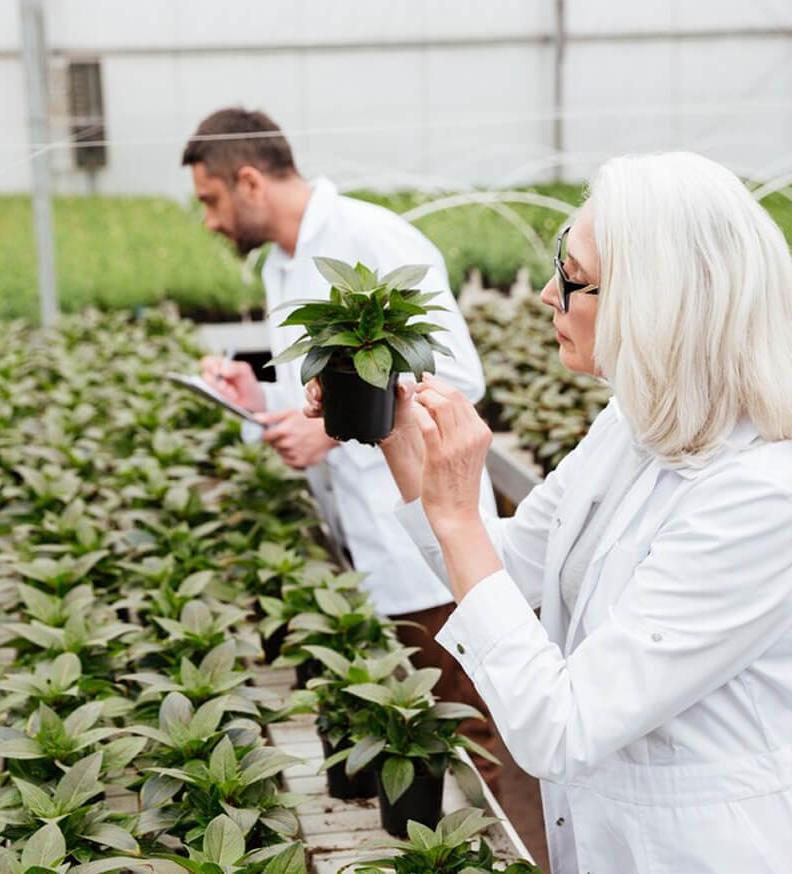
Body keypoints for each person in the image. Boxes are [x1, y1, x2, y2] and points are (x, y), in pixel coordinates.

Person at [306, 151, 792, 874]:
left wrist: (460, 507)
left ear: (659, 299)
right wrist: (399, 443)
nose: (544, 293)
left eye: (571, 275)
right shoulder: (631, 425)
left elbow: (563, 729)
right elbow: (501, 568)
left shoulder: (762, 496)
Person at [180, 108, 506, 794]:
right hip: (364, 547)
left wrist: (330, 433)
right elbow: (326, 397)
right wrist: (258, 396)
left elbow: (457, 378)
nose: (208, 221)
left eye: (210, 199)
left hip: (427, 551)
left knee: (464, 728)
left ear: (248, 180)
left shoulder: (370, 238)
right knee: (409, 739)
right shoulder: (280, 265)